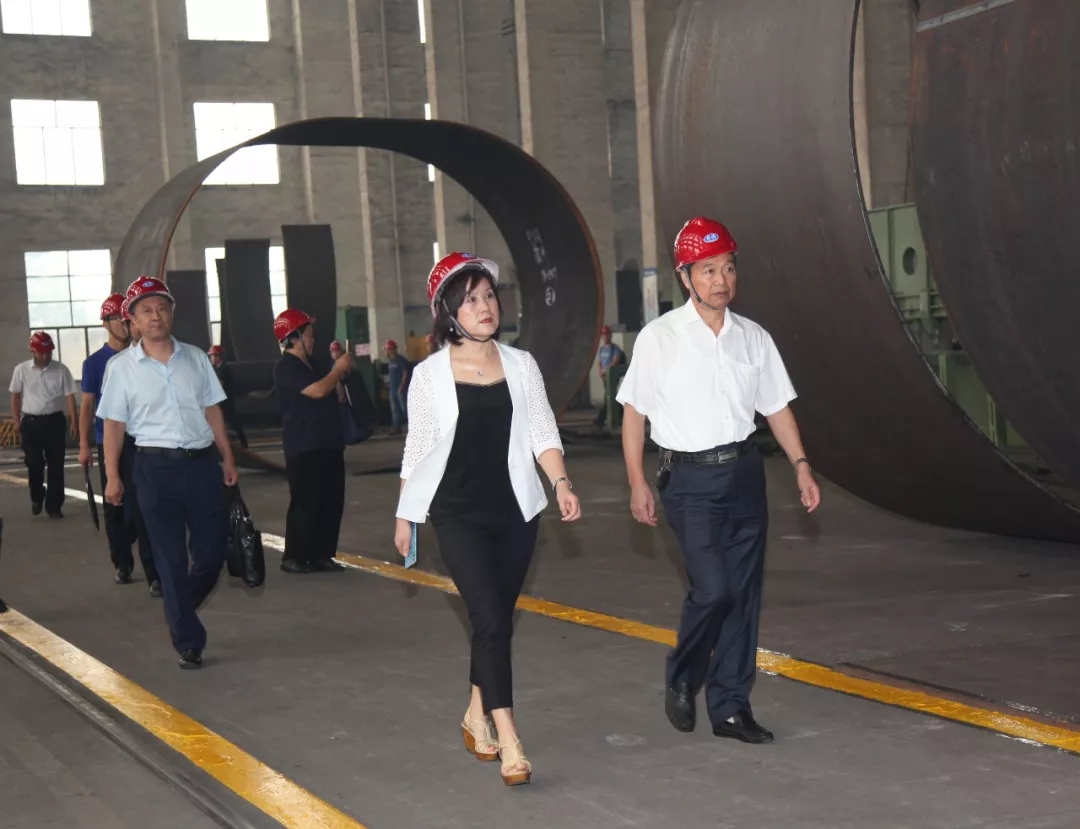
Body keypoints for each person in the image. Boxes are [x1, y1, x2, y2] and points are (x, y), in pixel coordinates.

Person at [616, 217, 821, 745]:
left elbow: (776, 407)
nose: (720, 280)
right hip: (689, 480)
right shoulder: (660, 339)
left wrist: (800, 465)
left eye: (728, 268)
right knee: (713, 590)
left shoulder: (753, 338)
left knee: (743, 596)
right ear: (685, 276)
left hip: (745, 473)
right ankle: (685, 674)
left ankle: (730, 708)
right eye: (707, 270)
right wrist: (637, 481)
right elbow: (634, 415)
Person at [394, 251, 582, 787]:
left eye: (489, 296)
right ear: (449, 312)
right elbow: (417, 449)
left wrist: (561, 482)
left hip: (515, 510)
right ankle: (511, 739)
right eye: (471, 299)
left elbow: (542, 431)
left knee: (493, 620)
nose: (485, 307)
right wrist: (406, 515)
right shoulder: (428, 376)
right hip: (457, 514)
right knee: (491, 621)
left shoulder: (522, 365)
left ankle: (476, 713)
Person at [97, 276, 239, 670]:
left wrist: (227, 457)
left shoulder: (195, 358)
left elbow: (212, 409)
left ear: (172, 313)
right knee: (169, 558)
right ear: (133, 320)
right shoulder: (120, 368)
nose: (155, 316)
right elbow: (113, 424)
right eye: (146, 310)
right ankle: (188, 641)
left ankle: (179, 610)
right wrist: (112, 475)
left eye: (162, 308)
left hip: (201, 466)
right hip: (154, 470)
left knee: (212, 553)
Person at [79, 293, 160, 594]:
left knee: (145, 506)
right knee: (115, 506)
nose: (123, 325)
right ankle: (122, 563)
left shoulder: (144, 357)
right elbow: (87, 406)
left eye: (126, 319)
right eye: (117, 319)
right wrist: (84, 444)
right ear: (106, 323)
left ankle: (154, 574)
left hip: (140, 441)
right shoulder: (96, 363)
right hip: (110, 442)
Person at [273, 309, 353, 575]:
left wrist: (340, 375)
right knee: (305, 503)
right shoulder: (286, 367)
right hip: (304, 445)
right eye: (308, 335)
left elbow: (336, 395)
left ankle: (322, 554)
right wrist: (337, 370)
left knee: (330, 502)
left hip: (329, 442)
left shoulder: (316, 365)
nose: (312, 340)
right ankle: (294, 556)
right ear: (294, 337)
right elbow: (318, 391)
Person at [9, 332, 78, 518]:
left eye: (48, 352)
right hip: (31, 423)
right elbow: (15, 396)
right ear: (33, 351)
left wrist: (74, 421)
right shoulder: (21, 370)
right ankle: (37, 496)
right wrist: (16, 420)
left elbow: (69, 396)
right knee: (34, 462)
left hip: (55, 422)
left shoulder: (61, 370)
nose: (45, 356)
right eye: (41, 353)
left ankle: (54, 506)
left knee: (56, 464)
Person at [207, 345, 248, 448]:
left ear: (218, 356)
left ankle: (242, 444)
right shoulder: (216, 369)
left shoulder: (224, 369)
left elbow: (219, 385)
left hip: (226, 401)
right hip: (219, 401)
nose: (211, 358)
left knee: (231, 421)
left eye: (212, 356)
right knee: (224, 422)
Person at [594, 324, 625, 426]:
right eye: (603, 335)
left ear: (610, 336)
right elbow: (600, 362)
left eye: (606, 335)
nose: (605, 337)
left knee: (608, 397)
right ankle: (623, 416)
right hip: (604, 377)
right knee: (612, 397)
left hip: (611, 377)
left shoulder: (615, 349)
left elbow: (615, 361)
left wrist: (607, 370)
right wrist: (600, 371)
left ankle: (600, 420)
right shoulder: (602, 349)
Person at [384, 339, 410, 434]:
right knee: (395, 409)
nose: (387, 352)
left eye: (388, 349)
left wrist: (402, 386)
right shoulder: (391, 362)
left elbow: (405, 373)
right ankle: (396, 427)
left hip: (400, 390)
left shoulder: (401, 360)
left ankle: (410, 426)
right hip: (393, 390)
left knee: (405, 409)